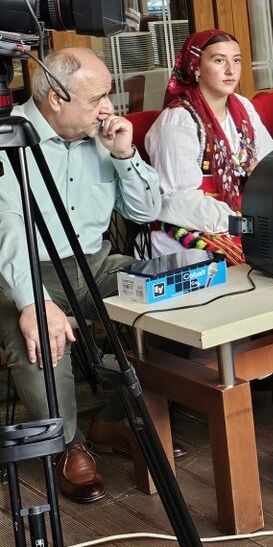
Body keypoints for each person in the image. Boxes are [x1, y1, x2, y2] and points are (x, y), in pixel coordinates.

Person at [0, 48, 161, 503]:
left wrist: (125, 155)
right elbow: (7, 229)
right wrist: (33, 301)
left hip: (95, 264)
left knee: (176, 299)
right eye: (96, 98)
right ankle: (69, 445)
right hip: (21, 271)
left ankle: (113, 419)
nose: (107, 108)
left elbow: (145, 211)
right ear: (56, 98)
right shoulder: (7, 137)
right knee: (35, 337)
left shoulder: (102, 136)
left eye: (108, 95)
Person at [146, 30, 273, 263]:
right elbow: (178, 201)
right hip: (193, 226)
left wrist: (263, 171)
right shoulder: (179, 120)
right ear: (195, 67)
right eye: (219, 60)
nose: (231, 70)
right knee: (255, 258)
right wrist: (242, 222)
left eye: (236, 60)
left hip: (243, 215)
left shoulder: (242, 106)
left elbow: (271, 160)